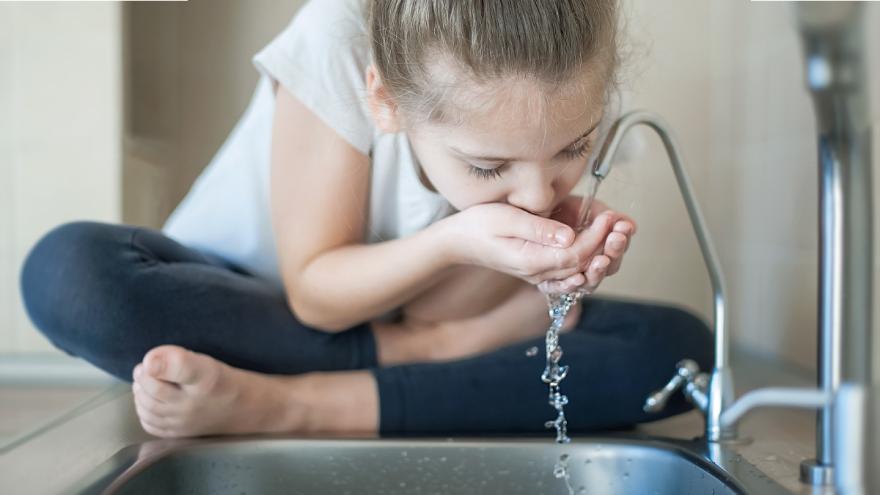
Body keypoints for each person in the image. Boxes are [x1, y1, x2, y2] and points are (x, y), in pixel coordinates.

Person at [20, 0, 711, 438]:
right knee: (71, 275)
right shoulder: (340, 41)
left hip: (405, 322)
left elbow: (431, 313)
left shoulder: (564, 85)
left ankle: (275, 406)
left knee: (678, 351)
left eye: (572, 149)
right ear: (385, 100)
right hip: (246, 299)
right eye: (487, 167)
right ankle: (391, 380)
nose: (535, 195)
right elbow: (317, 297)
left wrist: (540, 267)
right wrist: (451, 247)